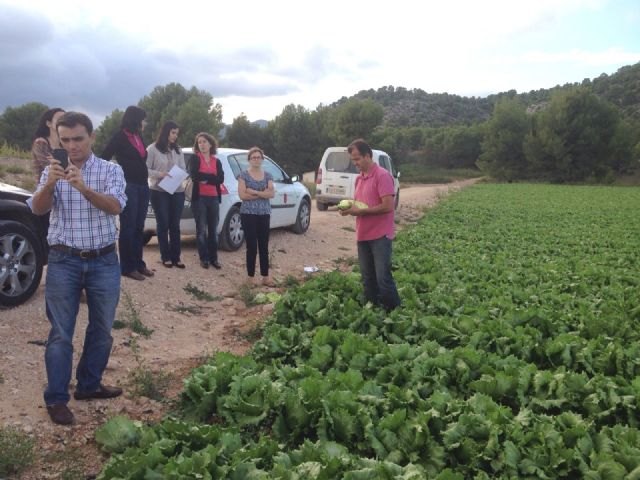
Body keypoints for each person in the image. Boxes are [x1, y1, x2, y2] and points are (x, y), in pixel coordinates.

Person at [29, 112, 127, 425]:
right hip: (63, 260)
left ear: (92, 137)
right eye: (65, 140)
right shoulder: (51, 170)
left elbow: (116, 206)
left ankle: (89, 384)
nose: (72, 146)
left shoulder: (110, 169)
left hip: (103, 259)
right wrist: (51, 183)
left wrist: (83, 188)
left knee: (102, 328)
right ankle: (57, 398)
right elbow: (37, 208)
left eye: (78, 139)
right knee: (60, 333)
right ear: (58, 139)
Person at [339, 138, 401, 311]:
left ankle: (393, 311)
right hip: (363, 234)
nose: (355, 163)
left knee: (383, 277)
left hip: (380, 235)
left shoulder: (382, 176)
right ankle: (372, 309)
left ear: (368, 156)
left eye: (357, 159)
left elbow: (388, 206)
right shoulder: (359, 179)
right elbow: (360, 203)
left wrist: (362, 212)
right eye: (353, 160)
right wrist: (350, 208)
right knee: (367, 277)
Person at [102, 106, 153, 281]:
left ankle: (139, 263)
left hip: (142, 186)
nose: (145, 122)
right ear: (136, 119)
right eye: (143, 119)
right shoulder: (120, 137)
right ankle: (127, 267)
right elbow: (104, 158)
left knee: (139, 227)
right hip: (128, 186)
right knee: (128, 228)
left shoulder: (139, 137)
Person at [147, 121, 186, 268]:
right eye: (173, 133)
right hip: (159, 191)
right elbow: (145, 169)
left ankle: (177, 257)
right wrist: (160, 174)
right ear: (165, 132)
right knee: (163, 224)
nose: (175, 136)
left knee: (175, 225)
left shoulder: (178, 150)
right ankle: (166, 257)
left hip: (177, 191)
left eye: (177, 133)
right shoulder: (152, 149)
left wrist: (179, 175)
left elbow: (182, 167)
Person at [238, 146, 275, 286]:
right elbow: (242, 195)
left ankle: (265, 276)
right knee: (252, 246)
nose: (256, 159)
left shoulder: (268, 175)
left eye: (258, 157)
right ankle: (251, 277)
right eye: (253, 157)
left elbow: (271, 194)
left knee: (264, 245)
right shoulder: (243, 175)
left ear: (262, 159)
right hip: (248, 214)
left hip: (264, 213)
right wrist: (262, 193)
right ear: (249, 160)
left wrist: (253, 191)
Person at [188, 132, 224, 269]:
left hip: (214, 198)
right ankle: (204, 258)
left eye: (204, 142)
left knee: (213, 231)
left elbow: (220, 179)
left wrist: (206, 178)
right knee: (201, 230)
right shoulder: (195, 159)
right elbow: (195, 176)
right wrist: (211, 178)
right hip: (200, 198)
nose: (202, 145)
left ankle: (214, 258)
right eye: (199, 142)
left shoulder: (217, 161)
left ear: (210, 144)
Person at [31, 107, 65, 180]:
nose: (64, 121)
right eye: (60, 119)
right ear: (49, 123)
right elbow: (46, 165)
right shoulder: (40, 142)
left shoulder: (67, 144)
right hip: (45, 185)